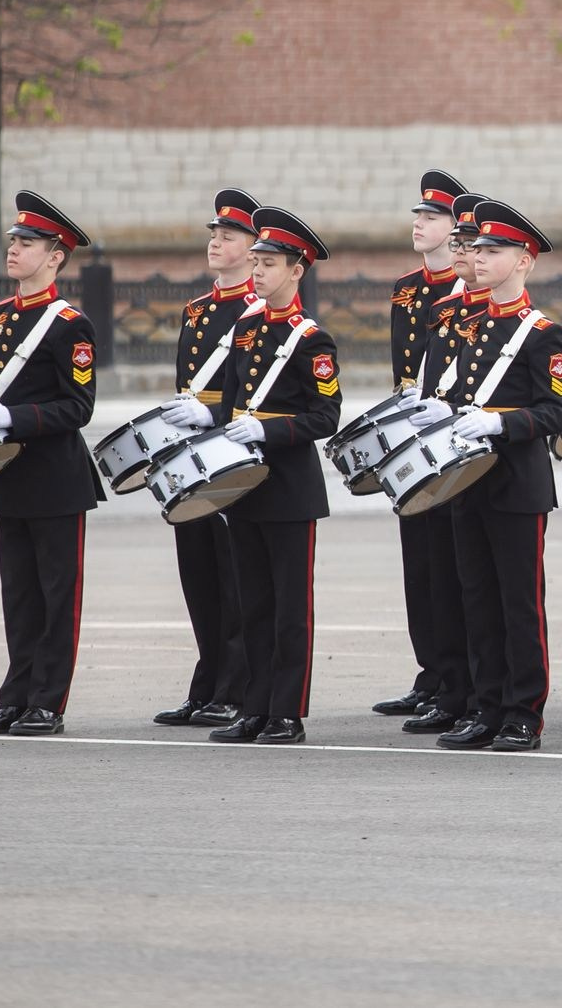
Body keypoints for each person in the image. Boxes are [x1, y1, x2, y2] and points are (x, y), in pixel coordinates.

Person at [409, 197, 562, 752]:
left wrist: (499, 424)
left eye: (493, 249)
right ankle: (485, 704)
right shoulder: (466, 324)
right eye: (478, 248)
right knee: (475, 597)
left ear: (524, 260)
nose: (479, 257)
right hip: (466, 481)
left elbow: (554, 412)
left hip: (516, 485)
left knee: (519, 602)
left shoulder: (543, 333)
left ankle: (523, 712)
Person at [0, 192, 102, 738]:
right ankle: (14, 696)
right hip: (10, 476)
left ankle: (48, 701)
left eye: (28, 243)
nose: (14, 249)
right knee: (17, 594)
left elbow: (77, 408)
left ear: (56, 257)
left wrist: (12, 419)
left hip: (56, 479)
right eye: (14, 240)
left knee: (55, 595)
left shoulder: (69, 325)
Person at [202, 207, 342, 746]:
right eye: (255, 260)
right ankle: (254, 705)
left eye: (269, 262)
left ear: (297, 270)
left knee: (289, 607)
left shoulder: (312, 340)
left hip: (289, 489)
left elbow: (325, 418)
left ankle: (287, 710)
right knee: (252, 602)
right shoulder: (244, 330)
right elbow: (235, 405)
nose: (257, 271)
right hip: (245, 489)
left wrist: (264, 431)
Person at [149, 186, 259, 730]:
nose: (217, 243)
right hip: (192, 459)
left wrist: (211, 419)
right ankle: (208, 680)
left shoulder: (261, 313)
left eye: (230, 236)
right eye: (215, 234)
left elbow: (257, 395)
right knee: (198, 576)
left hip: (232, 455)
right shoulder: (198, 309)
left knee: (233, 579)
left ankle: (235, 688)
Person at [373, 169, 469, 729]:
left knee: (448, 564)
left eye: (431, 217)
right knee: (419, 562)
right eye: (418, 215)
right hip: (411, 429)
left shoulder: (463, 295)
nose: (419, 224)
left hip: (447, 436)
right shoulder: (407, 287)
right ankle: (430, 671)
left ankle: (453, 677)